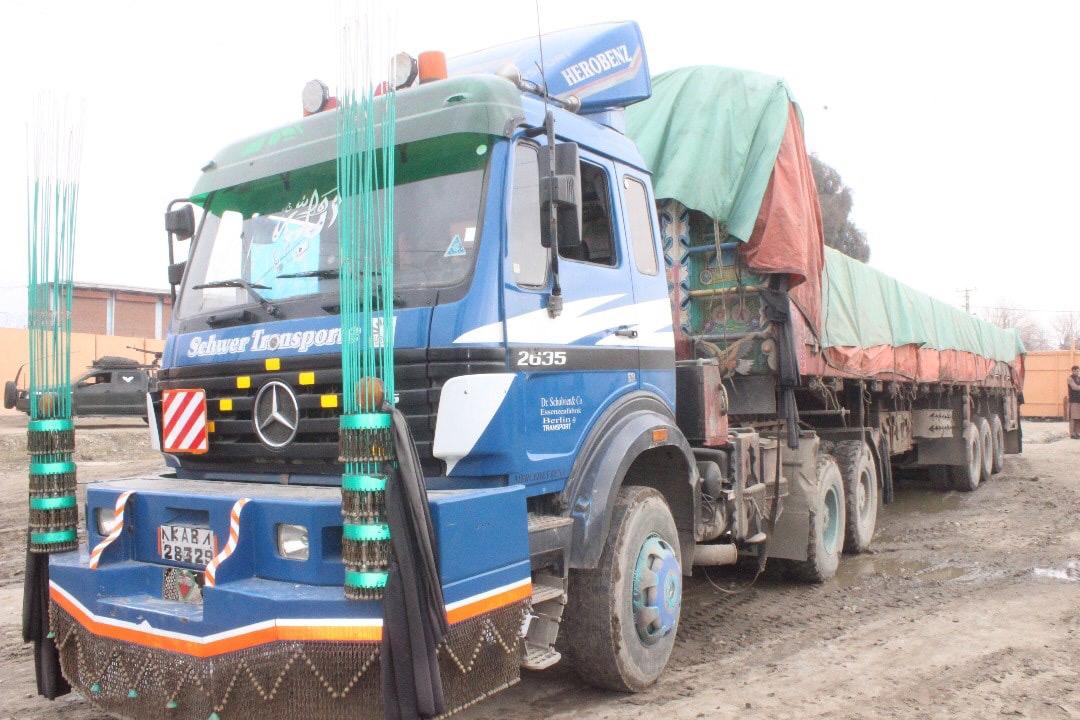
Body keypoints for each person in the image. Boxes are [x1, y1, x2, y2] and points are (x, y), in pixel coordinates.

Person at [1069, 366, 1080, 439]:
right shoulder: (1070, 378)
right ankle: (1072, 434)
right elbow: (1075, 387)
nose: (1078, 372)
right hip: (1073, 401)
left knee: (1078, 418)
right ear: (1072, 371)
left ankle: (1077, 433)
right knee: (1073, 418)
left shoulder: (1078, 378)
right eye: (1076, 371)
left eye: (1078, 371)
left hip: (1079, 400)